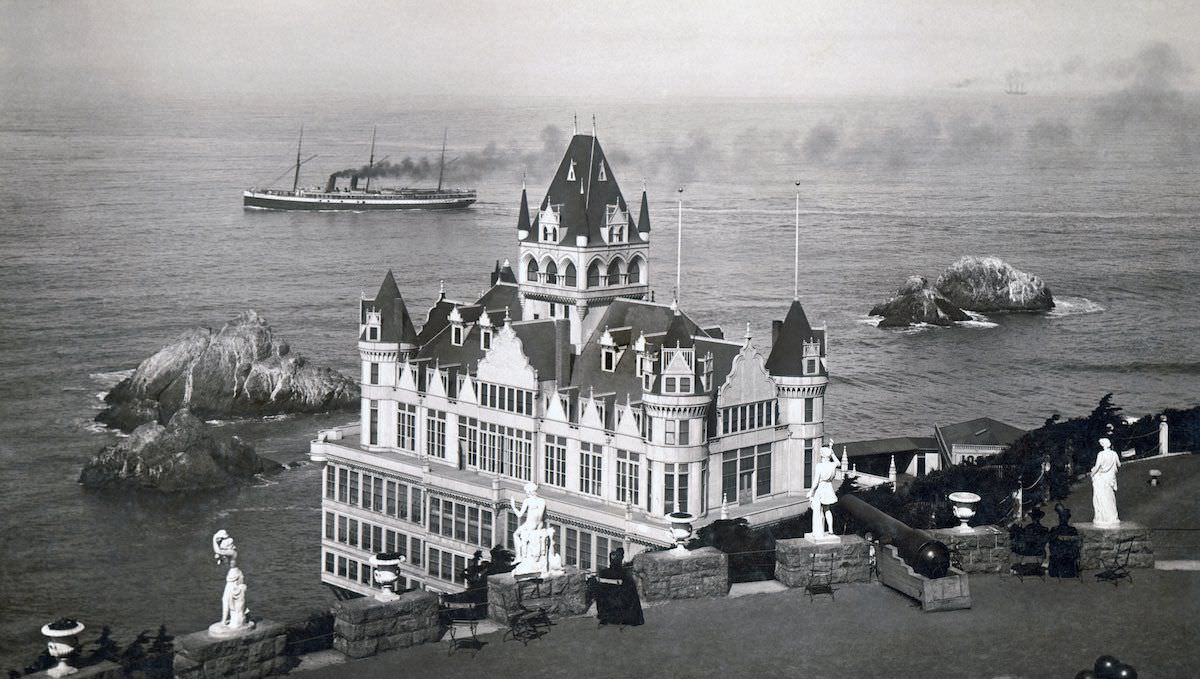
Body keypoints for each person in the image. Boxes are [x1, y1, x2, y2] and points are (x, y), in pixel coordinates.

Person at [594, 549, 643, 627]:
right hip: (620, 602)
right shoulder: (624, 574)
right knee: (632, 593)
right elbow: (631, 593)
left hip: (606, 603)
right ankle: (633, 618)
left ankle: (604, 616)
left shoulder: (603, 573)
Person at [808, 447, 839, 538]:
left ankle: (818, 531)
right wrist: (832, 453)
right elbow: (839, 463)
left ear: (823, 457)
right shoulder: (832, 465)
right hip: (829, 488)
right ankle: (830, 529)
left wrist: (811, 491)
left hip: (820, 489)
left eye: (821, 456)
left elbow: (815, 482)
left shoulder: (819, 466)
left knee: (818, 510)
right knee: (827, 509)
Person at [1090, 437, 1121, 526]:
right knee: (1110, 498)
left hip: (1102, 478)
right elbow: (1119, 464)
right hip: (1110, 478)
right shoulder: (1114, 453)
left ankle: (1103, 518)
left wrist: (1092, 474)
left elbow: (1097, 466)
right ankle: (1112, 517)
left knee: (1102, 498)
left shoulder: (1101, 454)